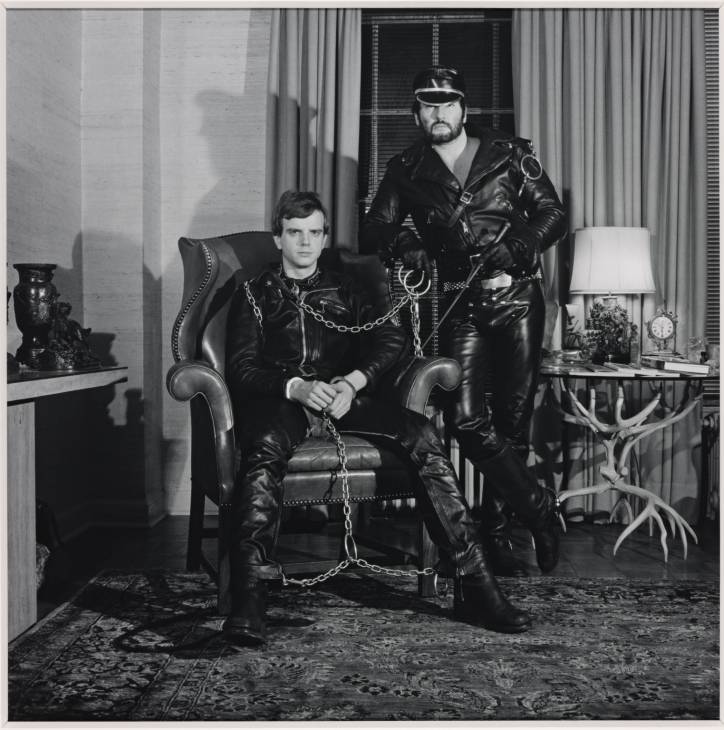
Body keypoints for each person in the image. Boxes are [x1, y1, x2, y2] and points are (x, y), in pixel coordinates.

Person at [223, 189, 532, 646]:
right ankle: (249, 595)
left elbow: (391, 340)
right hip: (283, 402)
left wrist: (352, 383)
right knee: (264, 445)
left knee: (422, 435)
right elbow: (241, 367)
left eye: (314, 232)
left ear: (324, 237)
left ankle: (474, 583)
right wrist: (295, 387)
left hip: (343, 398)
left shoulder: (347, 289)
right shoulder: (252, 293)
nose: (305, 242)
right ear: (277, 238)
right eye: (294, 233)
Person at [359, 66, 567, 577]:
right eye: (429, 105)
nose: (439, 113)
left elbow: (553, 215)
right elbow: (374, 226)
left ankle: (496, 535)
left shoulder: (510, 154)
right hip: (460, 303)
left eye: (448, 103)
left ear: (463, 109)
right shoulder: (406, 168)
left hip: (519, 299)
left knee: (513, 422)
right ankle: (539, 509)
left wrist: (521, 244)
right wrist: (404, 241)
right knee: (465, 419)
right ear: (416, 114)